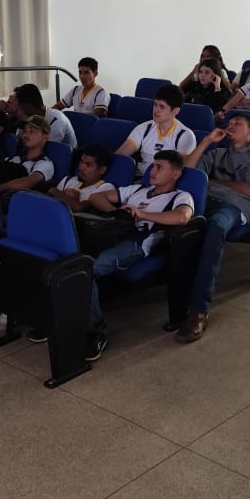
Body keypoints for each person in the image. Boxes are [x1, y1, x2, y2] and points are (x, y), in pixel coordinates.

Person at [77, 151, 195, 361]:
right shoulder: (139, 189)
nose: (153, 171)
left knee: (87, 271)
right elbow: (96, 196)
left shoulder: (180, 196)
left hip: (137, 243)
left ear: (175, 174)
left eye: (160, 167)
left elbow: (182, 217)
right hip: (115, 234)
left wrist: (142, 215)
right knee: (70, 262)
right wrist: (120, 215)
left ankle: (96, 332)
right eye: (153, 166)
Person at [177, 113, 250, 342]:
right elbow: (188, 173)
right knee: (179, 223)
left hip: (233, 205)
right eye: (229, 123)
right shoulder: (218, 152)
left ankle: (198, 310)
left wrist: (212, 182)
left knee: (214, 227)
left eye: (237, 123)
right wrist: (206, 141)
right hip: (203, 200)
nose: (230, 126)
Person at [116, 83, 198, 178]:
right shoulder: (144, 128)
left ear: (176, 111)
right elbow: (120, 155)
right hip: (139, 178)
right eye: (155, 104)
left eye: (162, 107)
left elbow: (181, 170)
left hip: (164, 184)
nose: (156, 110)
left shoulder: (185, 136)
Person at [0, 115, 55, 195]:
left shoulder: (45, 164)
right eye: (24, 131)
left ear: (45, 137)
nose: (25, 135)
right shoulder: (14, 159)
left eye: (32, 131)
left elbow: (29, 181)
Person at [7, 83, 77, 148]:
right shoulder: (32, 117)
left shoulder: (56, 120)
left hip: (61, 156)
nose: (21, 111)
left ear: (29, 106)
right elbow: (19, 141)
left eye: (22, 108)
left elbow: (44, 149)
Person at [49, 143, 116, 210]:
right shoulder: (68, 180)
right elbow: (49, 202)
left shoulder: (106, 188)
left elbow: (79, 207)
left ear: (102, 170)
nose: (81, 168)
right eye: (81, 161)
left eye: (88, 165)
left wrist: (54, 191)